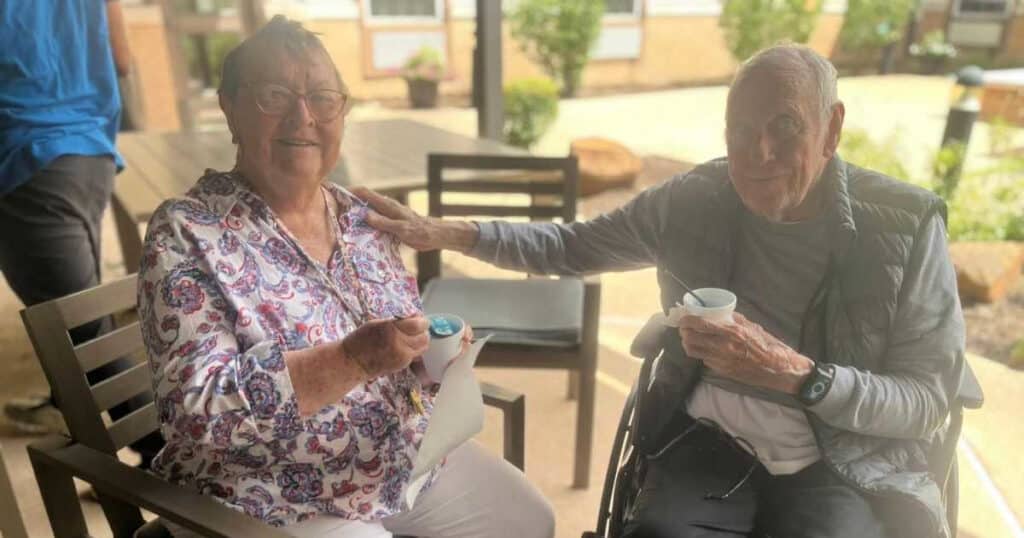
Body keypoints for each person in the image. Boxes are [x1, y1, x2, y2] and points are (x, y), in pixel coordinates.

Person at [358, 44, 965, 538]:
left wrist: (798, 375)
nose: (759, 152)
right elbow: (571, 246)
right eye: (740, 129)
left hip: (843, 459)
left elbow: (926, 401)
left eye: (785, 125)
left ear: (831, 129)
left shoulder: (905, 230)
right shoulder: (694, 201)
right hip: (709, 439)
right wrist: (443, 232)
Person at [137, 16, 553, 537]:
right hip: (268, 494)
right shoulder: (187, 232)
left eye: (322, 97)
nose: (303, 116)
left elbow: (397, 345)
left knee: (528, 520)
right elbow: (196, 413)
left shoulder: (361, 217)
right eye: (274, 96)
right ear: (230, 108)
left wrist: (427, 358)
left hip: (396, 460)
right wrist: (350, 360)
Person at [0, 0, 162, 465]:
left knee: (82, 335)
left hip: (28, 156)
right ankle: (64, 406)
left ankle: (170, 468)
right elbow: (123, 58)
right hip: (87, 152)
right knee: (79, 317)